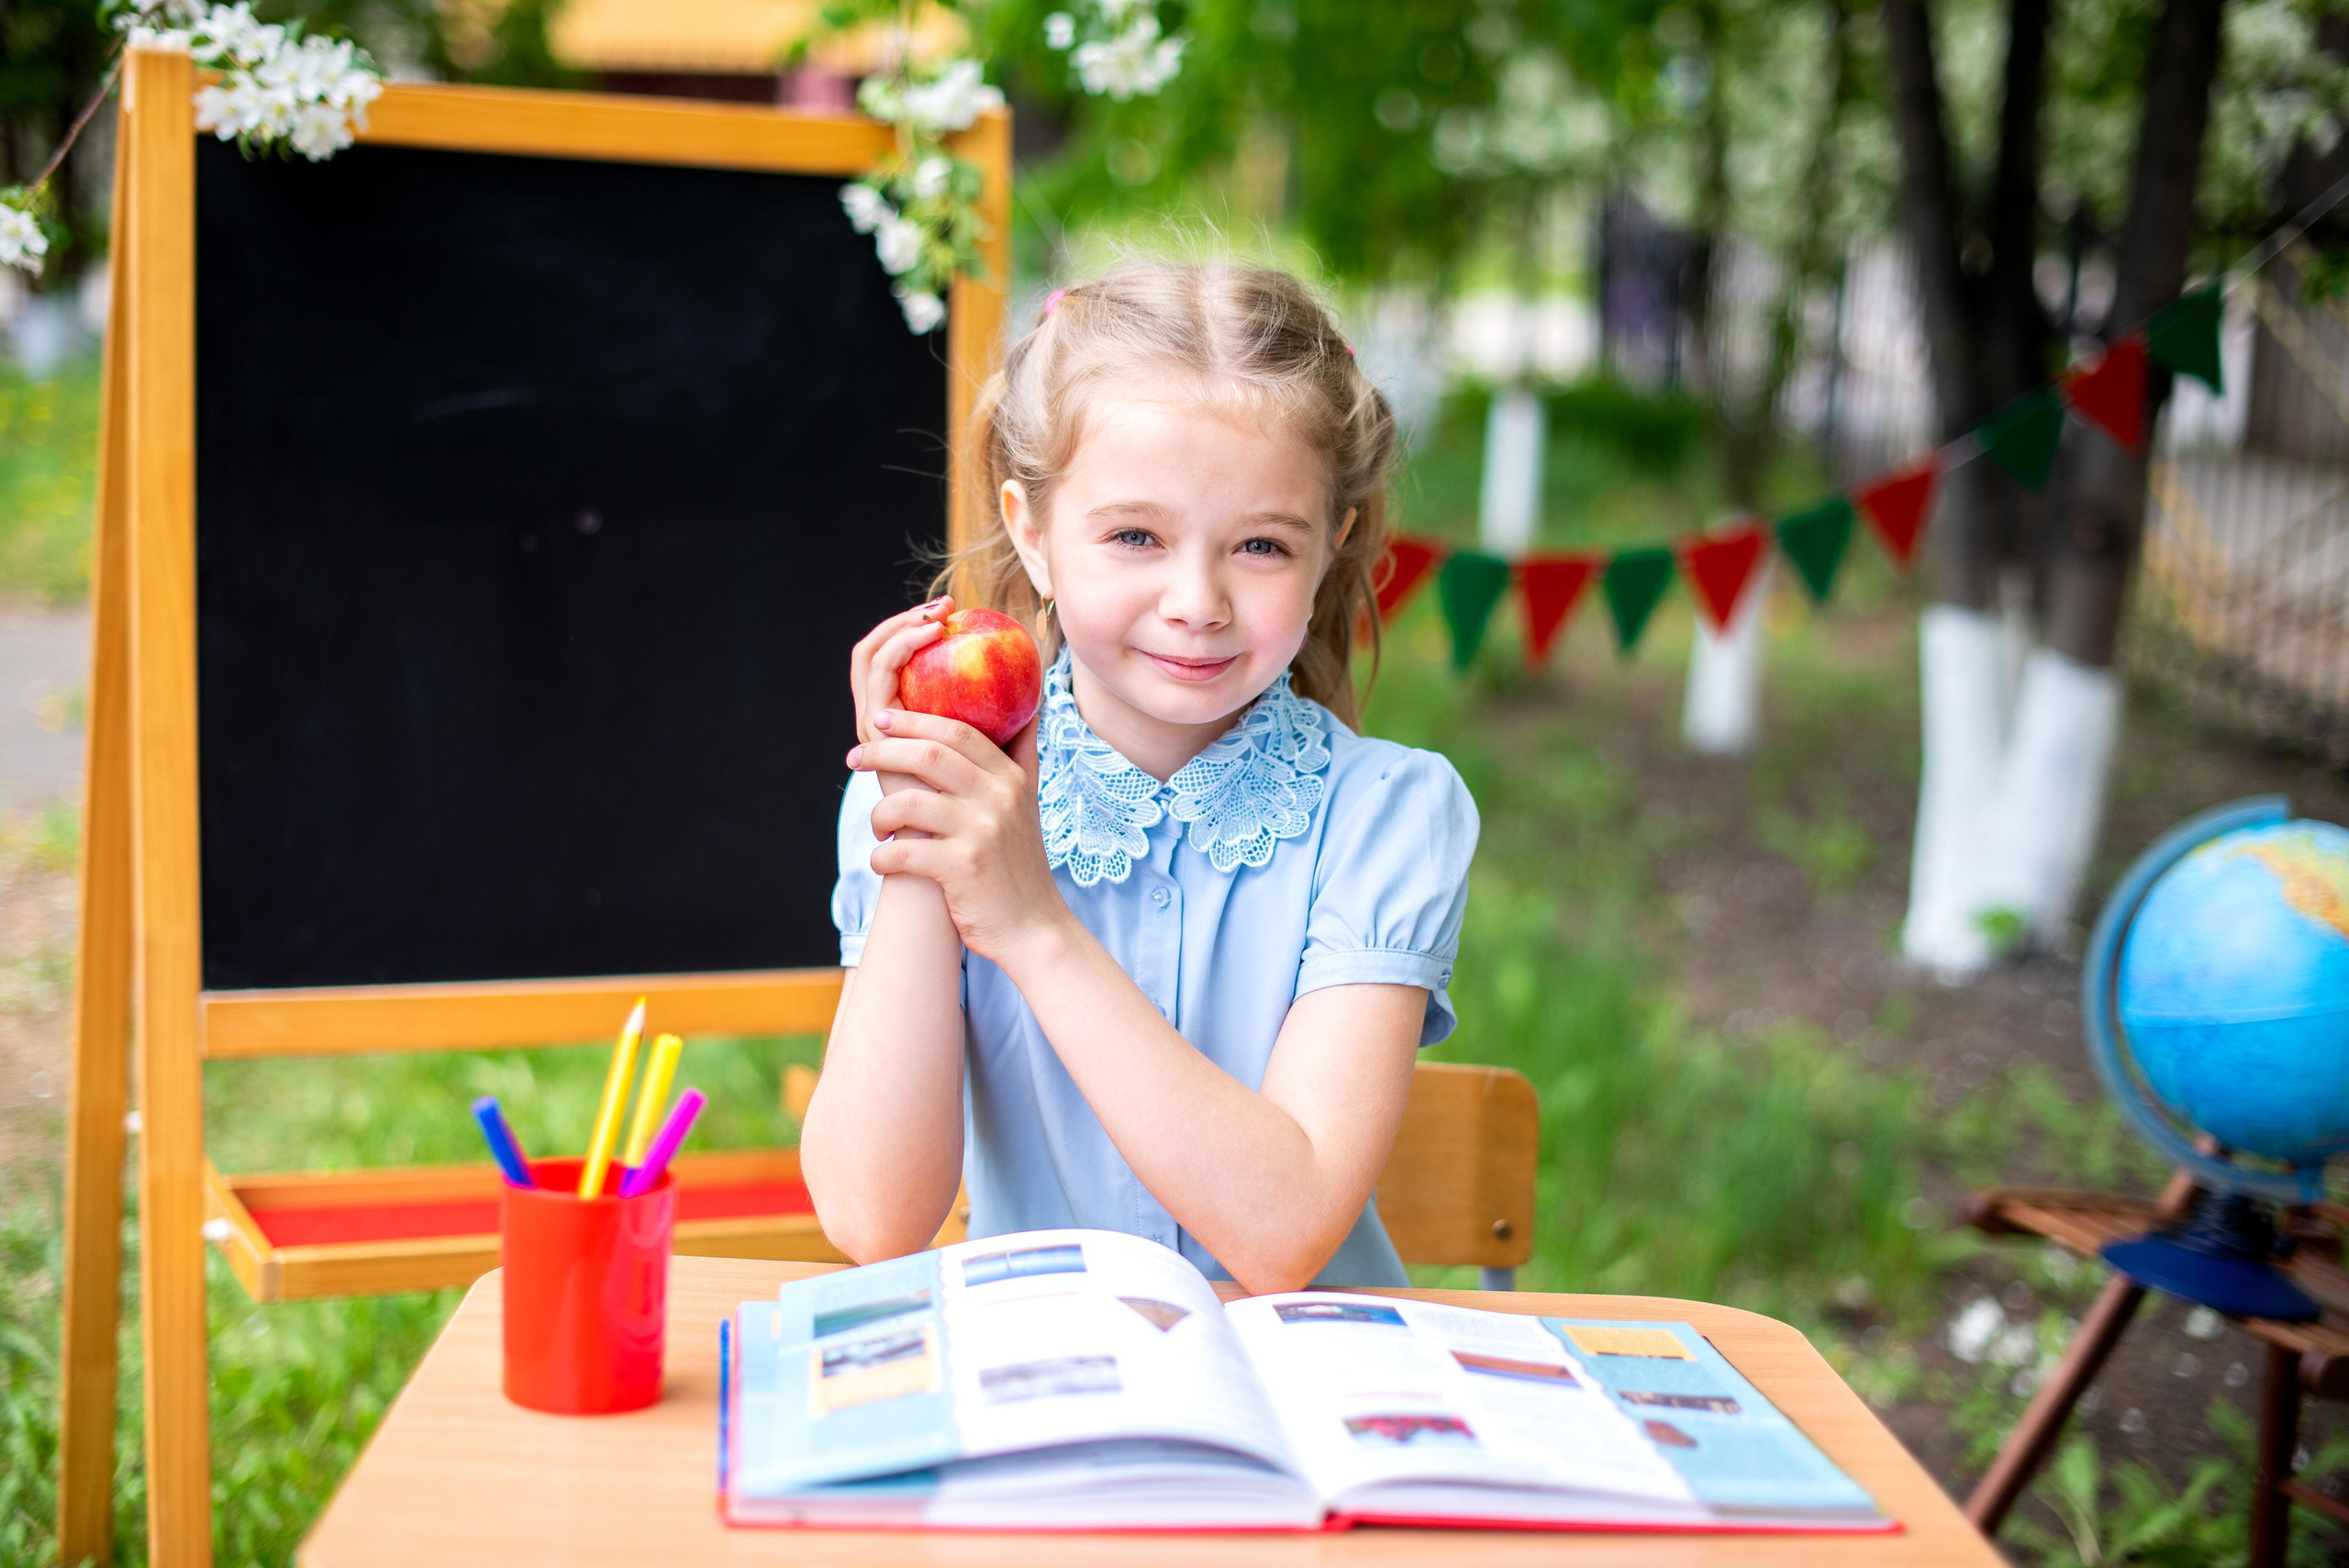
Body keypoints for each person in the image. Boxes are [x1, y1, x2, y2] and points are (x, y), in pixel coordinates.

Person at [800, 259, 1479, 1293]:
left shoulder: (1387, 815)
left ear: (1330, 543)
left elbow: (1283, 1229)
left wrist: (1034, 926)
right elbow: (873, 1215)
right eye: (1134, 536)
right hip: (1048, 1387)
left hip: (1308, 1405)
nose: (1196, 599)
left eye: (1259, 544)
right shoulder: (933, 804)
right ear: (1032, 532)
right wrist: (924, 845)